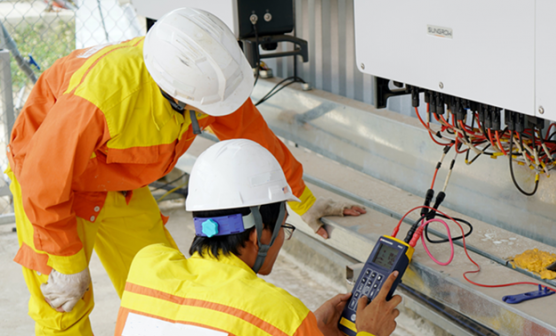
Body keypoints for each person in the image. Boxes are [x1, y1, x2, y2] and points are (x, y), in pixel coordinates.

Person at [7, 7, 365, 335]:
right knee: (64, 306)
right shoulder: (101, 100)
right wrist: (67, 261)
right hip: (53, 186)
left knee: (165, 288)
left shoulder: (204, 78)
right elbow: (44, 180)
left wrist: (302, 200)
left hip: (115, 179)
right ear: (175, 94)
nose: (216, 112)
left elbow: (256, 140)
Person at [114, 139, 400, 336]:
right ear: (258, 234)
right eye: (283, 229)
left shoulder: (146, 267)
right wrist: (369, 332)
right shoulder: (279, 313)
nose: (280, 242)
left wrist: (307, 328)